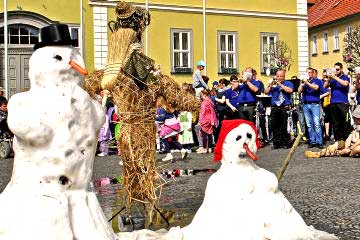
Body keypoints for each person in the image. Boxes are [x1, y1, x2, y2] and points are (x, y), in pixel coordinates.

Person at [265, 69, 294, 149]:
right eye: (278, 76)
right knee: (274, 125)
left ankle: (285, 143)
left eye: (281, 76)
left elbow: (290, 90)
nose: (279, 78)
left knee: (284, 125)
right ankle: (276, 143)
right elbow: (266, 92)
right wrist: (269, 85)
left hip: (284, 107)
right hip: (274, 107)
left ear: (284, 76)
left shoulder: (288, 83)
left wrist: (280, 85)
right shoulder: (273, 84)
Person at [324, 62, 352, 142]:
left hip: (343, 103)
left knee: (345, 122)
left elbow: (345, 84)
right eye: (335, 69)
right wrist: (329, 78)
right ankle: (338, 140)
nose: (336, 71)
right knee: (336, 123)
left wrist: (335, 77)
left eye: (337, 69)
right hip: (333, 103)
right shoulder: (332, 79)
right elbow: (325, 86)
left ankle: (347, 140)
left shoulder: (345, 77)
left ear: (341, 69)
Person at [298, 68, 326, 149]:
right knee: (309, 125)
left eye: (310, 72)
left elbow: (316, 88)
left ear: (313, 73)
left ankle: (319, 142)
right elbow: (299, 91)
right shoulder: (303, 82)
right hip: (305, 105)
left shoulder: (317, 80)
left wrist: (307, 83)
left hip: (315, 105)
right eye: (307, 72)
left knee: (317, 124)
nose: (308, 74)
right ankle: (312, 141)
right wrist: (302, 83)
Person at [156, 96, 188, 161]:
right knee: (173, 139)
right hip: (175, 124)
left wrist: (153, 117)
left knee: (163, 137)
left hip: (169, 125)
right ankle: (183, 150)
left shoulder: (161, 109)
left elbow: (161, 119)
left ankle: (169, 154)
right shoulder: (168, 106)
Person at [197, 89, 217, 154]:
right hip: (210, 119)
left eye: (201, 95)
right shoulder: (210, 101)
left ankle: (205, 148)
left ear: (204, 95)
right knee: (209, 134)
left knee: (204, 134)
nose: (201, 97)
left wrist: (200, 121)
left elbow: (202, 112)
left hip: (205, 119)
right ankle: (210, 148)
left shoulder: (204, 102)